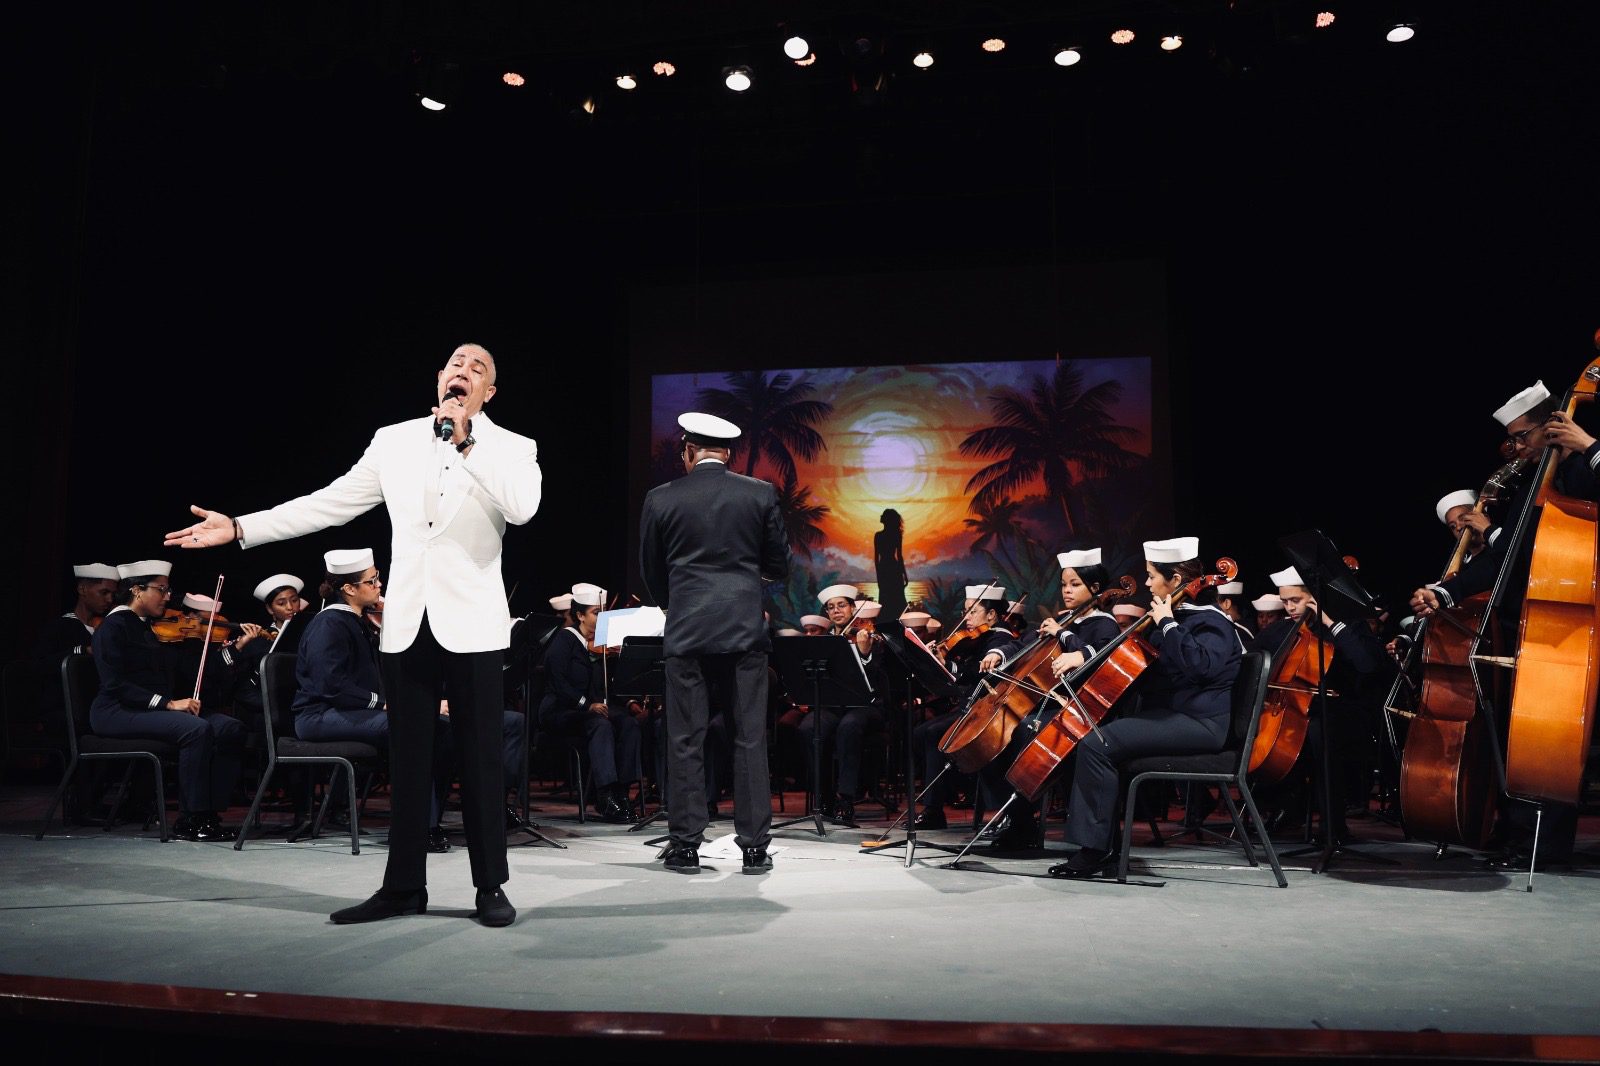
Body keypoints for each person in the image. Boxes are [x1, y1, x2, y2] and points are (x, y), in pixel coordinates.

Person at [165, 342, 540, 927]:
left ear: (489, 392)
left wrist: (467, 443)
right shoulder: (394, 440)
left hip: (473, 627)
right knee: (408, 759)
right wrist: (241, 528)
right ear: (438, 377)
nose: (462, 372)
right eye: (455, 364)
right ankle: (402, 887)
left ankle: (489, 884)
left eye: (478, 369)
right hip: (407, 625)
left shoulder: (514, 448)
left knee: (480, 758)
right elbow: (330, 504)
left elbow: (523, 508)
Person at [639, 411, 789, 874]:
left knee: (685, 740)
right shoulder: (759, 494)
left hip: (686, 633)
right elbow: (779, 564)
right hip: (744, 633)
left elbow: (651, 574)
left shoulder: (660, 499)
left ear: (687, 451)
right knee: (749, 740)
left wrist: (677, 604)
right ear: (728, 454)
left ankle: (685, 846)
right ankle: (755, 849)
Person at [1053, 537, 1243, 878]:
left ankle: (1094, 852)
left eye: (1153, 576)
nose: (1146, 583)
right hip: (1176, 716)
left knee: (1098, 744)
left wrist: (1168, 624)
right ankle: (1105, 848)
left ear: (1175, 581)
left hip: (1202, 724)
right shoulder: (1178, 618)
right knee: (1097, 735)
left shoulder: (1211, 622)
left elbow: (1201, 667)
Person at [293, 550, 456, 850]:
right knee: (415, 728)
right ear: (349, 589)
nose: (380, 585)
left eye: (377, 577)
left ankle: (427, 822)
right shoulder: (329, 624)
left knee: (441, 728)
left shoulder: (358, 621)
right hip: (320, 716)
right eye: (372, 580)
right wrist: (383, 704)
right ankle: (413, 829)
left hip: (348, 712)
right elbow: (332, 685)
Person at [90, 560, 245, 841]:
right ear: (137, 590)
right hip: (116, 711)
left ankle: (210, 813)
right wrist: (168, 704)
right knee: (195, 730)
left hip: (147, 709)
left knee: (229, 727)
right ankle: (191, 819)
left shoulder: (148, 627)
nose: (167, 596)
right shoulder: (113, 627)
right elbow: (116, 685)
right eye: (161, 590)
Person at [1252, 563, 1391, 844]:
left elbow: (1369, 664)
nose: (1289, 608)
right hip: (1297, 710)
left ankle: (1333, 826)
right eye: (1285, 602)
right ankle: (1285, 804)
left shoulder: (1347, 624)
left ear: (1314, 597)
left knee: (1321, 735)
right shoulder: (1281, 630)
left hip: (1344, 710)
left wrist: (1331, 623)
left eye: (1296, 600)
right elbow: (1253, 660)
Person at [537, 581, 642, 823]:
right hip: (560, 712)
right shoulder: (564, 640)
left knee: (629, 724)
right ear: (579, 615)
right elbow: (559, 683)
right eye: (596, 613)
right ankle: (605, 796)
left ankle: (622, 793)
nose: (601, 618)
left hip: (588, 712)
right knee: (600, 724)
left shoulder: (601, 644)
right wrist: (586, 704)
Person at [33, 563, 120, 725]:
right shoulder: (60, 627)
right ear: (82, 589)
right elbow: (39, 666)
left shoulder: (107, 627)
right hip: (68, 709)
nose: (109, 599)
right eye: (104, 592)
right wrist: (81, 650)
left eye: (112, 594)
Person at [874, 509, 909, 623]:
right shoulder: (894, 535)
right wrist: (904, 574)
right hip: (892, 568)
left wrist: (904, 574)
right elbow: (899, 556)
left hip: (887, 569)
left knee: (890, 598)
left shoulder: (880, 535)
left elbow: (877, 558)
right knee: (894, 598)